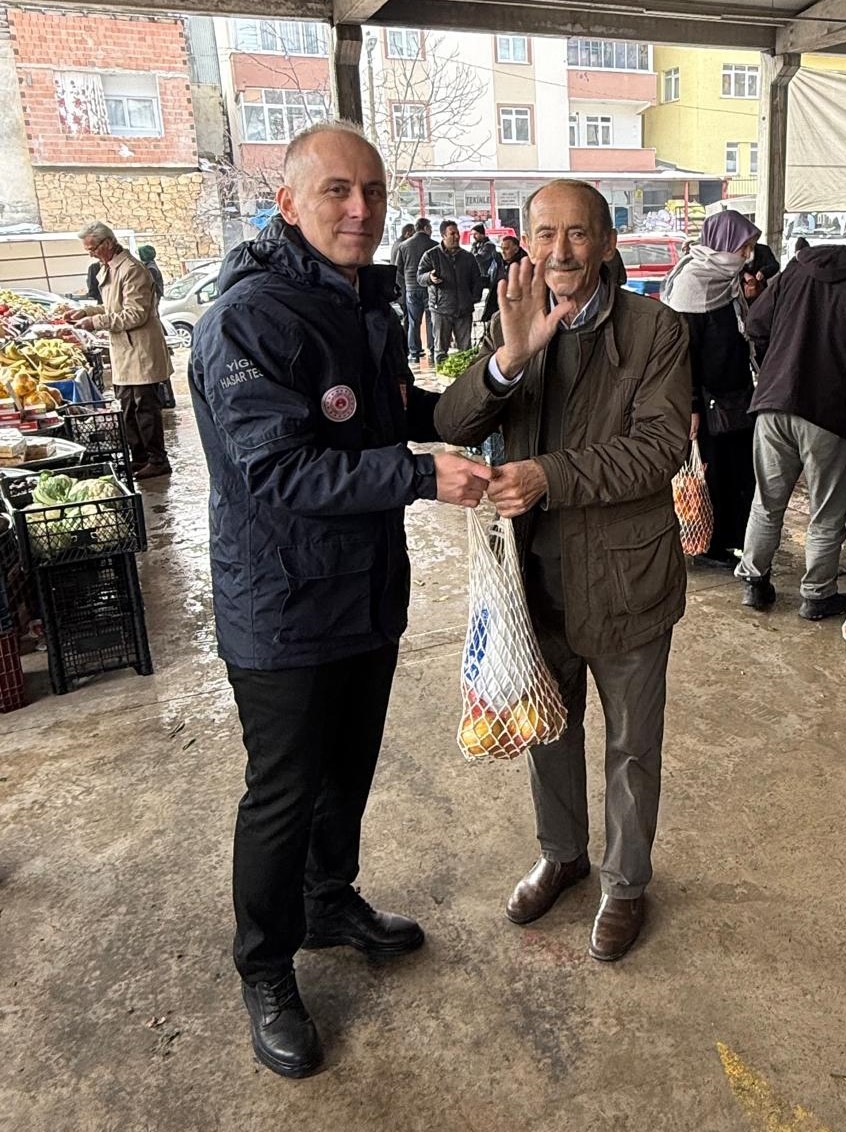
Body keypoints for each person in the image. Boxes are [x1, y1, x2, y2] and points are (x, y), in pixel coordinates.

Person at [188, 122, 490, 1078]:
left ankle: (329, 900)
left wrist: (502, 367)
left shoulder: (367, 299)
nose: (360, 209)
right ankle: (265, 966)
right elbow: (276, 472)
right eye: (336, 192)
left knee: (350, 764)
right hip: (278, 600)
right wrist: (418, 476)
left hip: (363, 592)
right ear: (287, 202)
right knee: (282, 790)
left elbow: (395, 411)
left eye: (373, 190)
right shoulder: (249, 318)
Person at [435, 179, 692, 963]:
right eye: (544, 234)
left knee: (631, 745)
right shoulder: (511, 314)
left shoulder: (656, 330)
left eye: (578, 235)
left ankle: (625, 882)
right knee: (549, 725)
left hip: (625, 577)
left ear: (608, 243)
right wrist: (511, 357)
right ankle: (563, 854)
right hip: (532, 579)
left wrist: (549, 474)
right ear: (525, 240)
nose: (560, 252)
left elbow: (660, 449)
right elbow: (451, 422)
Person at [737, 220, 846, 618]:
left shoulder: (797, 269)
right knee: (826, 510)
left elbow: (756, 324)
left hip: (773, 402)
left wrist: (775, 362)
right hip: (830, 412)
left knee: (767, 500)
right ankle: (816, 594)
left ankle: (754, 582)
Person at [663, 210, 760, 568]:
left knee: (738, 472)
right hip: (706, 403)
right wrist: (689, 406)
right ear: (723, 245)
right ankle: (709, 541)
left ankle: (731, 537)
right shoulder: (694, 284)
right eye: (743, 247)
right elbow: (682, 354)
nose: (747, 255)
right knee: (711, 473)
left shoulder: (728, 280)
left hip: (735, 397)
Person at [70, 222, 172, 479]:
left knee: (145, 409)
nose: (91, 254)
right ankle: (139, 458)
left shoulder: (132, 270)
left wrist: (95, 322)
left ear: (108, 243)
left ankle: (157, 460)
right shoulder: (110, 269)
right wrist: (88, 312)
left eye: (93, 248)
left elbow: (135, 314)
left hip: (140, 350)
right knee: (128, 407)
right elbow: (112, 306)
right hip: (124, 351)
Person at [418, 220, 483, 364]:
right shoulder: (431, 255)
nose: (457, 237)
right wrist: (429, 277)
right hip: (441, 309)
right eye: (452, 234)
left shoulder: (468, 257)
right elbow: (420, 277)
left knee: (466, 350)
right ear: (443, 235)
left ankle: (466, 381)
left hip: (464, 310)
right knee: (441, 350)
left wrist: (473, 298)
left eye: (457, 233)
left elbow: (476, 280)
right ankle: (442, 380)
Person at [138, 244, 176, 410]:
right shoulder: (150, 267)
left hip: (153, 321)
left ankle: (166, 400)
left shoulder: (150, 270)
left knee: (159, 370)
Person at [394, 217, 437, 364]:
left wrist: (408, 278)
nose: (431, 231)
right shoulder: (434, 245)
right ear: (425, 228)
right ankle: (433, 349)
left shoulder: (404, 245)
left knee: (413, 321)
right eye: (430, 228)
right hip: (429, 287)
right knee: (431, 320)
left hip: (411, 288)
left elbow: (398, 268)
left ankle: (414, 352)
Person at [481, 234, 528, 324]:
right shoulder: (499, 263)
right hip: (497, 309)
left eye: (506, 248)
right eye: (501, 248)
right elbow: (493, 281)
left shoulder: (525, 265)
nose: (503, 252)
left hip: (517, 311)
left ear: (516, 249)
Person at [391, 222, 415, 306]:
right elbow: (400, 267)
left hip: (398, 283)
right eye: (414, 235)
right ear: (408, 233)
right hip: (402, 285)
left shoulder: (397, 243)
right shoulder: (403, 246)